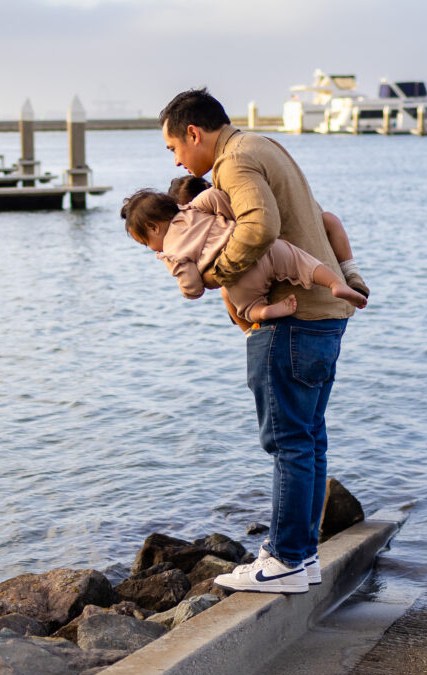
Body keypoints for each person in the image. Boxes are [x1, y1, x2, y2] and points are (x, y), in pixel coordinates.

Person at [158, 87, 356, 594]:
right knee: (308, 438)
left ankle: (286, 560)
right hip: (323, 312)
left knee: (287, 440)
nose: (177, 159)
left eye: (174, 148)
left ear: (194, 133)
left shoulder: (235, 162)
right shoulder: (264, 146)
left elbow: (261, 227)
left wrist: (216, 274)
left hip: (292, 321)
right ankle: (303, 555)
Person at [120, 186, 367, 323]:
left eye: (146, 242)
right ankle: (335, 283)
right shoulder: (196, 207)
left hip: (239, 275)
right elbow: (221, 199)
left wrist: (189, 285)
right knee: (302, 261)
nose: (152, 248)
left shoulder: (172, 254)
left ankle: (266, 311)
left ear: (153, 227)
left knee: (246, 306)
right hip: (260, 247)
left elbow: (192, 287)